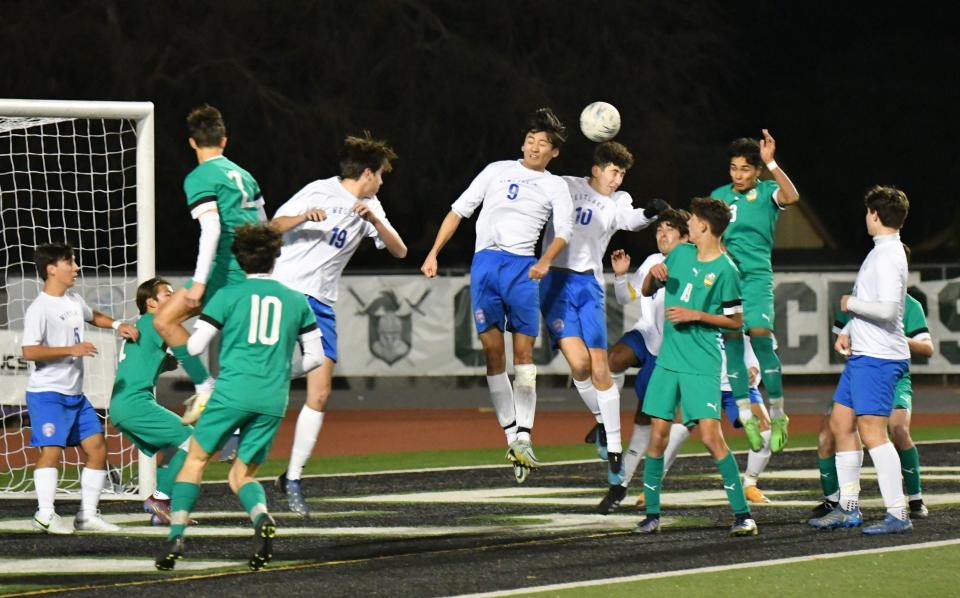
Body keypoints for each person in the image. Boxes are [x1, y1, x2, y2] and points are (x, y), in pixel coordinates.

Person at [155, 224, 324, 571]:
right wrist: (280, 372)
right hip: (272, 399)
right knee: (241, 476)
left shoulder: (228, 295)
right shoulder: (297, 300)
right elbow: (315, 358)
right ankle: (262, 518)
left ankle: (176, 534)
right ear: (276, 257)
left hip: (231, 393)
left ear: (239, 258)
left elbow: (197, 346)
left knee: (195, 461)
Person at [420, 108, 574, 482]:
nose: (536, 147)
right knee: (492, 352)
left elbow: (563, 232)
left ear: (554, 153)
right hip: (486, 265)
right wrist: (433, 252)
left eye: (544, 144)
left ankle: (524, 434)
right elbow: (458, 211)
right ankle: (512, 436)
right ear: (523, 142)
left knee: (523, 357)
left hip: (524, 268)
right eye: (532, 140)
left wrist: (545, 262)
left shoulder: (555, 186)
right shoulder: (495, 170)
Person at [270, 134, 407, 515]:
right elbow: (273, 224)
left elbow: (400, 250)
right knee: (269, 376)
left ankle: (292, 477)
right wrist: (303, 216)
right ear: (367, 173)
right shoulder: (320, 190)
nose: (382, 182)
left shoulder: (372, 205)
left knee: (321, 391)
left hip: (322, 303)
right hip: (286, 291)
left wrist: (376, 221)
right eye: (381, 175)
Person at [540, 141, 666, 486]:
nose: (618, 178)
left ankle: (612, 448)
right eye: (614, 171)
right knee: (579, 366)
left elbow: (632, 220)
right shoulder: (566, 185)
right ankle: (600, 420)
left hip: (589, 286)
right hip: (555, 284)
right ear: (596, 169)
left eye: (622, 173)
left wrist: (650, 212)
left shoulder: (619, 200)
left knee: (600, 366)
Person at [632, 198, 757, 537]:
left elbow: (735, 322)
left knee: (711, 438)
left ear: (704, 226)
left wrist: (697, 315)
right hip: (668, 362)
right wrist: (653, 278)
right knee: (657, 436)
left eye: (693, 220)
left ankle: (743, 515)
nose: (687, 224)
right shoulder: (680, 254)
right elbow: (645, 290)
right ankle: (653, 514)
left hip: (701, 364)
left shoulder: (727, 271)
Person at [807, 186, 912, 535]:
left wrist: (849, 305)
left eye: (868, 212)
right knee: (841, 424)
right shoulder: (881, 252)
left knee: (873, 433)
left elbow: (887, 310)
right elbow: (874, 304)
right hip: (864, 355)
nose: (866, 217)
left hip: (879, 358)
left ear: (876, 216)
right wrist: (849, 328)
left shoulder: (887, 255)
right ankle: (848, 508)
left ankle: (898, 513)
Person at [153, 104, 267, 424]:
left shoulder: (200, 176)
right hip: (253, 270)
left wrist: (201, 281)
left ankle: (205, 388)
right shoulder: (245, 175)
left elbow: (212, 228)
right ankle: (219, 408)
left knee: (163, 321)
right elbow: (264, 225)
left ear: (192, 142)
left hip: (224, 269)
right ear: (224, 141)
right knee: (238, 356)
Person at [21, 242, 138, 534]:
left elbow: (92, 315)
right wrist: (70, 349)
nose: (76, 267)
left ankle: (87, 515)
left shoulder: (72, 299)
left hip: (75, 394)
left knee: (98, 448)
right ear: (51, 269)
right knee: (51, 450)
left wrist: (117, 324)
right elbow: (29, 351)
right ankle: (45, 514)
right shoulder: (40, 308)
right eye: (69, 262)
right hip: (48, 394)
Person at [813, 244, 932, 520]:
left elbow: (927, 348)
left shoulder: (907, 305)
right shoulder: (859, 298)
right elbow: (841, 339)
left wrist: (894, 338)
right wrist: (845, 343)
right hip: (860, 370)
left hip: (889, 372)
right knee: (830, 432)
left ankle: (909, 502)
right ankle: (840, 503)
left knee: (895, 431)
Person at [710, 131, 799, 453]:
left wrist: (772, 161)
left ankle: (778, 414)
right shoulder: (719, 195)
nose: (738, 174)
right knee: (733, 342)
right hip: (729, 280)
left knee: (760, 334)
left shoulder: (767, 192)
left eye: (745, 169)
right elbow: (709, 237)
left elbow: (792, 197)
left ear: (757, 171)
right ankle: (747, 416)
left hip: (757, 277)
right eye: (734, 168)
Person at [595, 209, 689, 514]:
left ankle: (620, 486)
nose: (662, 234)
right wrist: (621, 277)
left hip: (671, 351)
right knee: (611, 360)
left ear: (686, 235)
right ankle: (602, 424)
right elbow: (627, 297)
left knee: (645, 421)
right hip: (648, 333)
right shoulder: (652, 260)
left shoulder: (696, 263)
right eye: (658, 229)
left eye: (669, 229)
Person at [108, 278, 194, 525]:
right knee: (193, 441)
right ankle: (159, 499)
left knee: (174, 450)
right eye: (168, 294)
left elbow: (144, 359)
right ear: (151, 303)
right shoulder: (155, 323)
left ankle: (162, 513)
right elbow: (188, 313)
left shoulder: (145, 325)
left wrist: (164, 362)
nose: (173, 297)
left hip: (126, 404)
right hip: (135, 404)